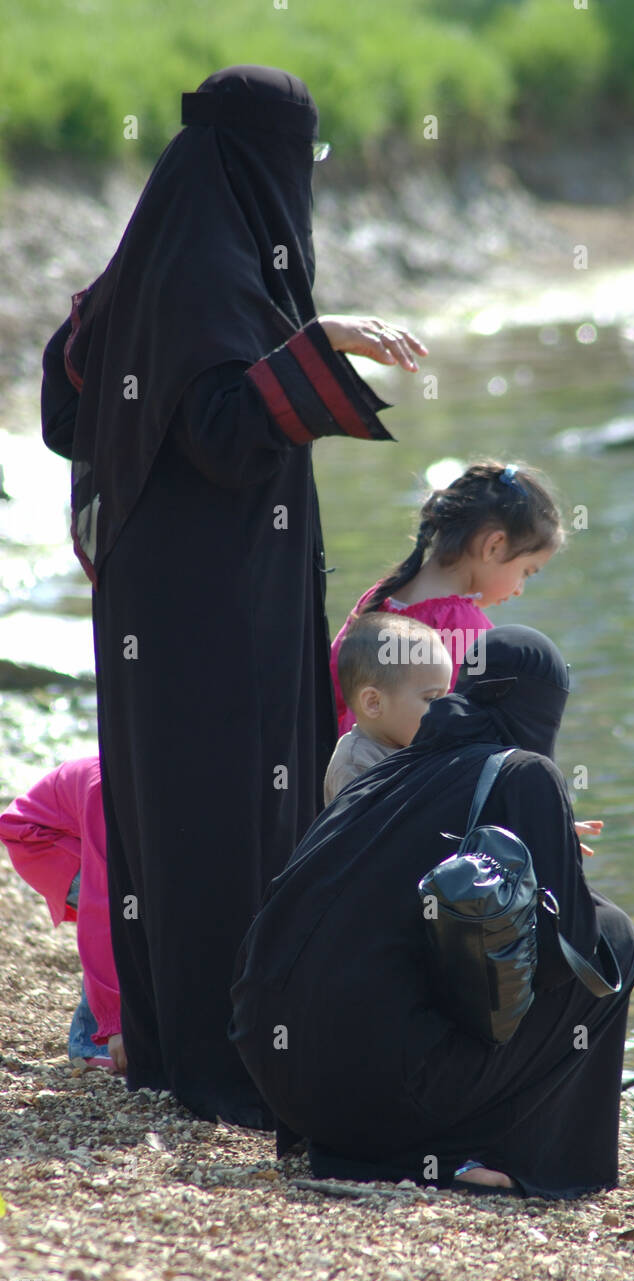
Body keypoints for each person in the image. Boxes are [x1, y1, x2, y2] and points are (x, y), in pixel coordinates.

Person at [39, 66, 426, 1127]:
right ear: (265, 164)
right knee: (225, 811)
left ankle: (171, 1043)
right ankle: (232, 1059)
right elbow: (215, 423)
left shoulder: (148, 265)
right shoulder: (216, 272)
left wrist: (299, 343)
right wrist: (321, 342)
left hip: (155, 604)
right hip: (215, 607)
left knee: (174, 807)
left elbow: (66, 409)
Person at [231, 627, 634, 1199]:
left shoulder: (380, 766)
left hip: (281, 1080)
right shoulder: (525, 773)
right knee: (613, 937)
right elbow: (560, 958)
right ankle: (488, 1151)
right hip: (382, 1096)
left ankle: (383, 1139)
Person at [329, 460, 564, 735]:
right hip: (408, 776)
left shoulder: (379, 597)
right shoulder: (469, 629)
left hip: (346, 763)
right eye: (526, 572)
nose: (518, 589)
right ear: (494, 546)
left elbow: (333, 689)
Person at [0, 757, 125, 1073]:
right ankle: (91, 1041)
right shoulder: (107, 787)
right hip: (38, 839)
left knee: (136, 912)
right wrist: (115, 1024)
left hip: (73, 829)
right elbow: (102, 912)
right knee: (122, 916)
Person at [324, 613, 452, 803]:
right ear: (373, 703)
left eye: (446, 695)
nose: (446, 708)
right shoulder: (355, 763)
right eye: (432, 698)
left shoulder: (416, 742)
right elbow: (366, 829)